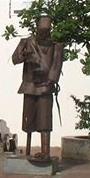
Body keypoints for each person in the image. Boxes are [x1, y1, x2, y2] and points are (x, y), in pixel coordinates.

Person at [12, 15, 64, 161]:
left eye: (46, 31)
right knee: (29, 119)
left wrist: (50, 81)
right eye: (41, 31)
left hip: (46, 87)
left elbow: (56, 66)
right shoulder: (26, 42)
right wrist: (24, 54)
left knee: (45, 120)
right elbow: (15, 59)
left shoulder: (56, 47)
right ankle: (28, 150)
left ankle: (46, 152)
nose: (43, 34)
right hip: (29, 85)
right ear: (36, 29)